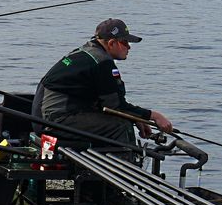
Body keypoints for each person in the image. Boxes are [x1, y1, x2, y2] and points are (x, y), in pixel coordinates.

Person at [33, 18, 173, 146]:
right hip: (55, 122)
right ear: (111, 43)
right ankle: (124, 163)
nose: (129, 47)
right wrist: (154, 116)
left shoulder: (84, 53)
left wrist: (135, 118)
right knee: (121, 126)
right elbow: (116, 106)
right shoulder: (102, 62)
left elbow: (106, 103)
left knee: (123, 120)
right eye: (125, 42)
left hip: (44, 118)